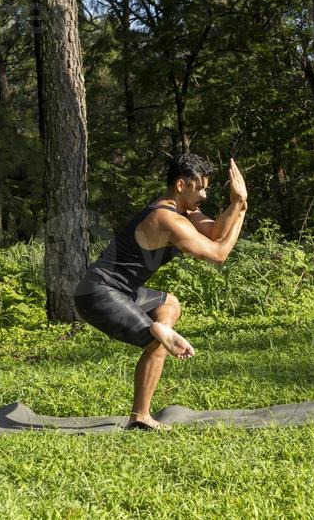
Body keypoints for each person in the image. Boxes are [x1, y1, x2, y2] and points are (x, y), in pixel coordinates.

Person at [73, 153, 248, 431]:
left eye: (206, 188)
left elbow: (215, 232)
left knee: (170, 304)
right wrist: (239, 204)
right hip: (99, 294)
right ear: (181, 185)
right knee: (155, 342)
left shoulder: (183, 213)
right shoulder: (167, 219)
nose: (203, 194)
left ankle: (159, 331)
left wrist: (239, 206)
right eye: (199, 187)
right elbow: (218, 253)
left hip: (125, 291)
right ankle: (141, 415)